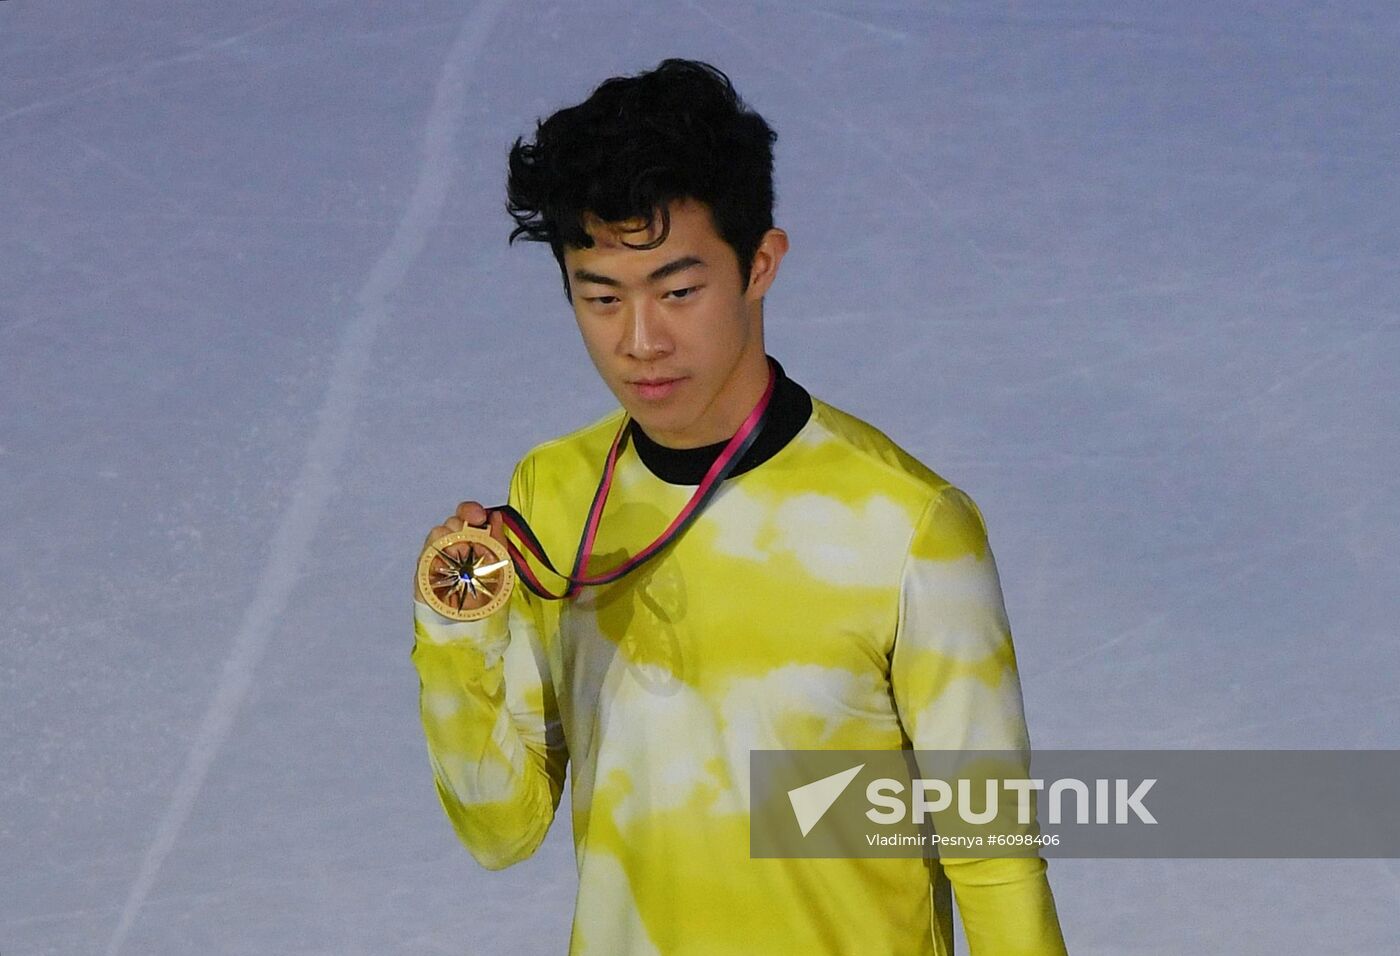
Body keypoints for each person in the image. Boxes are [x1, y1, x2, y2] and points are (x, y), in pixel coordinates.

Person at [412, 58, 1067, 955]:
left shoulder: (907, 527)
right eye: (600, 296)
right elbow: (502, 831)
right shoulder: (552, 497)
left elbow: (993, 860)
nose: (640, 341)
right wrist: (458, 637)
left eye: (679, 292)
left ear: (761, 264)